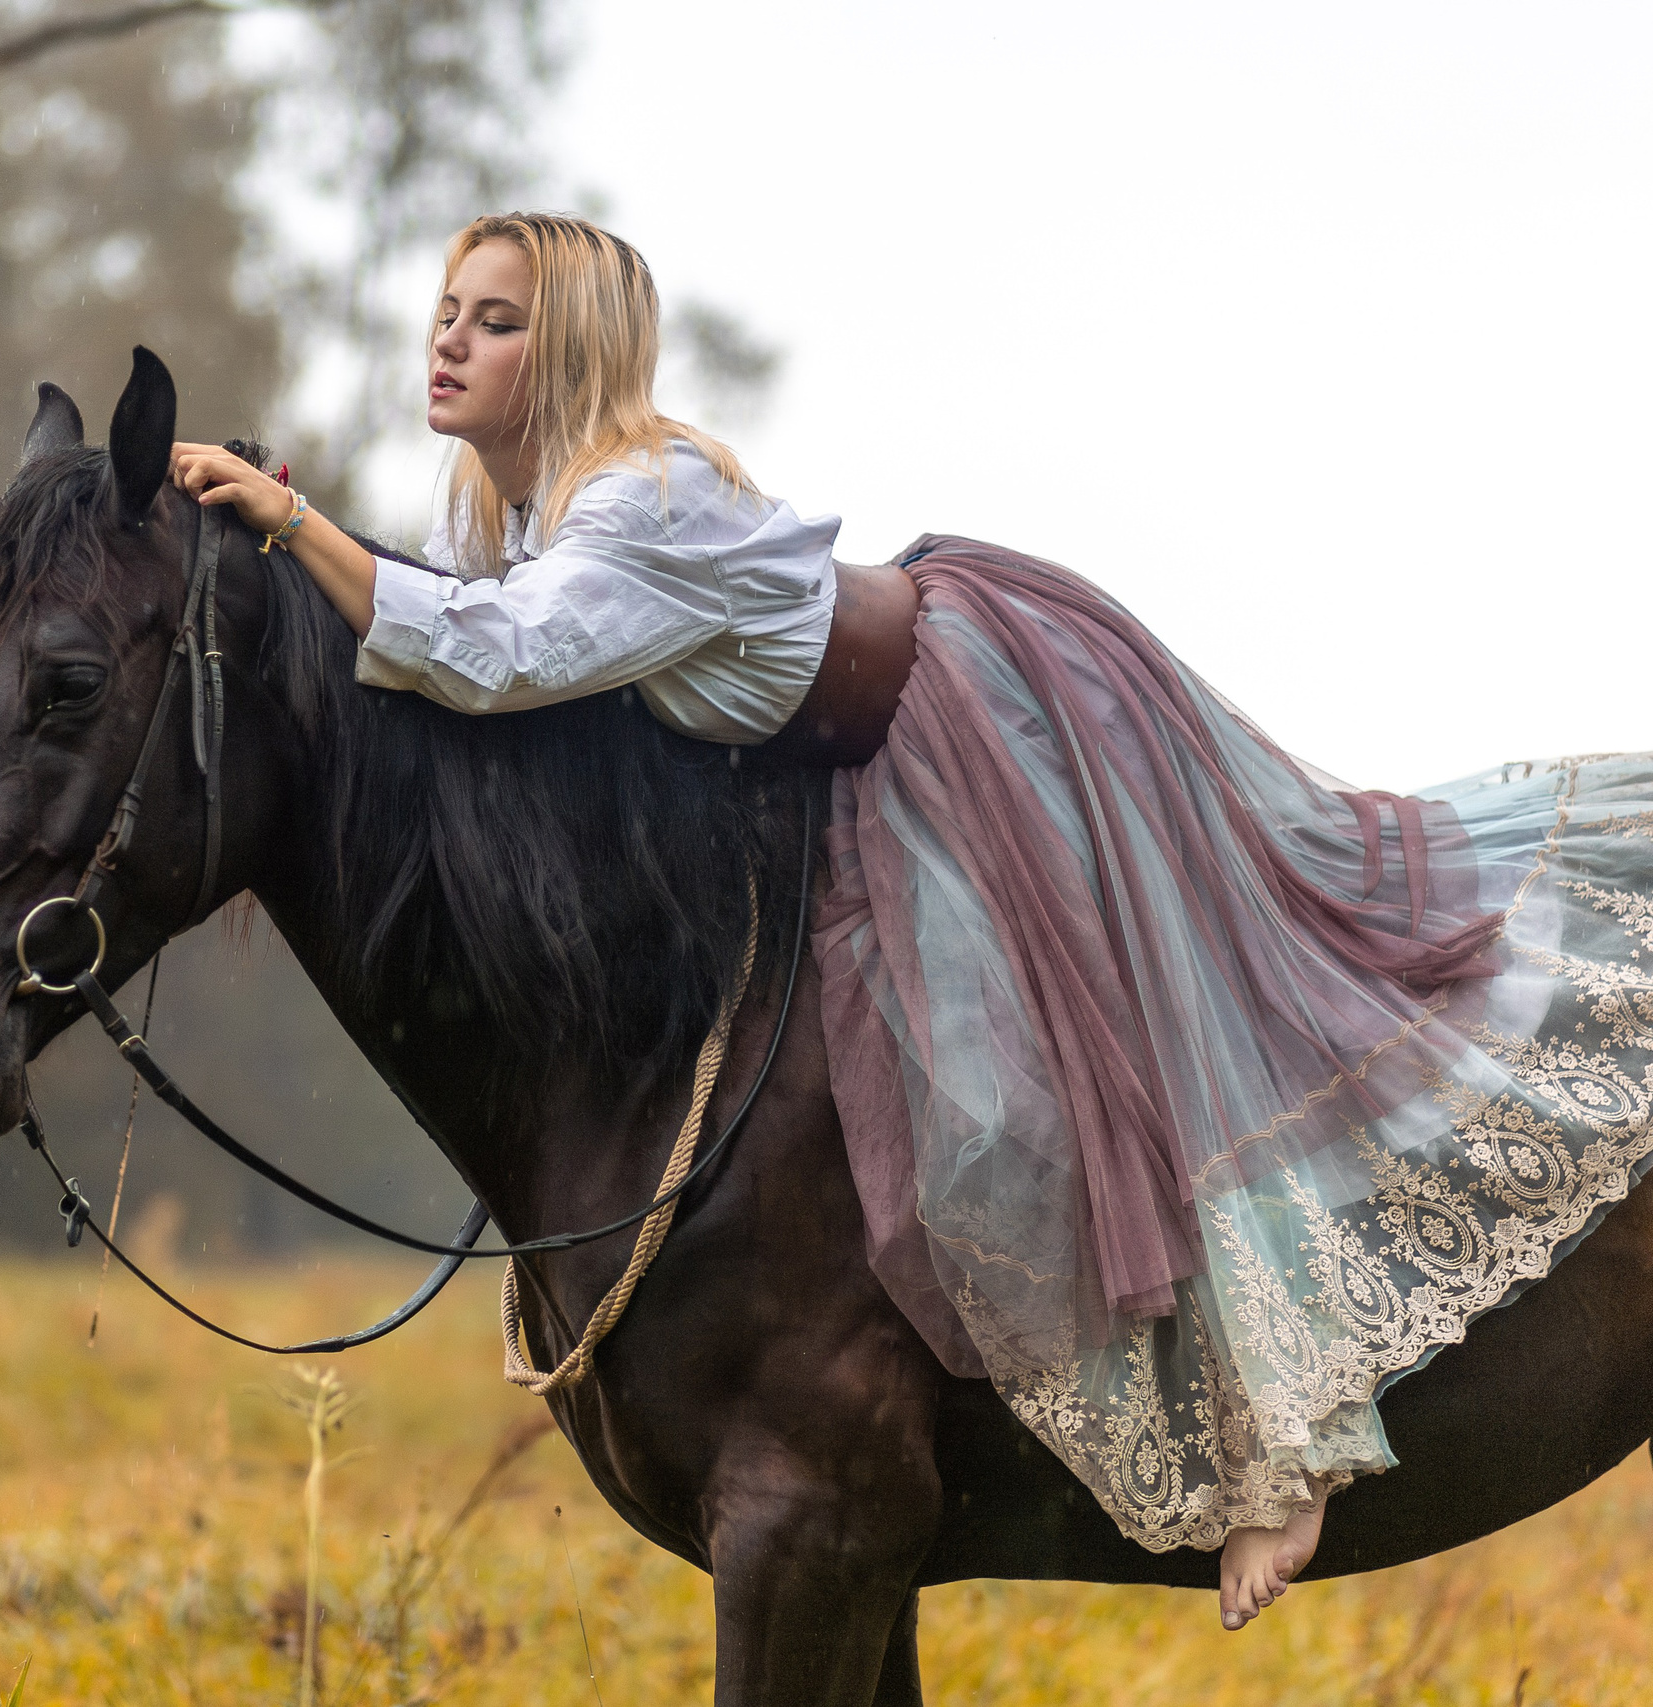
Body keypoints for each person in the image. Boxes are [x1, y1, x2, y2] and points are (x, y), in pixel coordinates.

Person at [169, 211, 1653, 1633]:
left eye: (497, 324)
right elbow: (488, 672)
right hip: (867, 772)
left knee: (1101, 1062)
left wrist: (297, 526)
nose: (453, 345)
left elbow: (500, 660)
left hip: (978, 723)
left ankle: (1285, 1453)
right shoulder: (511, 505)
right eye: (447, 315)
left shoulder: (637, 500)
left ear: (567, 363)